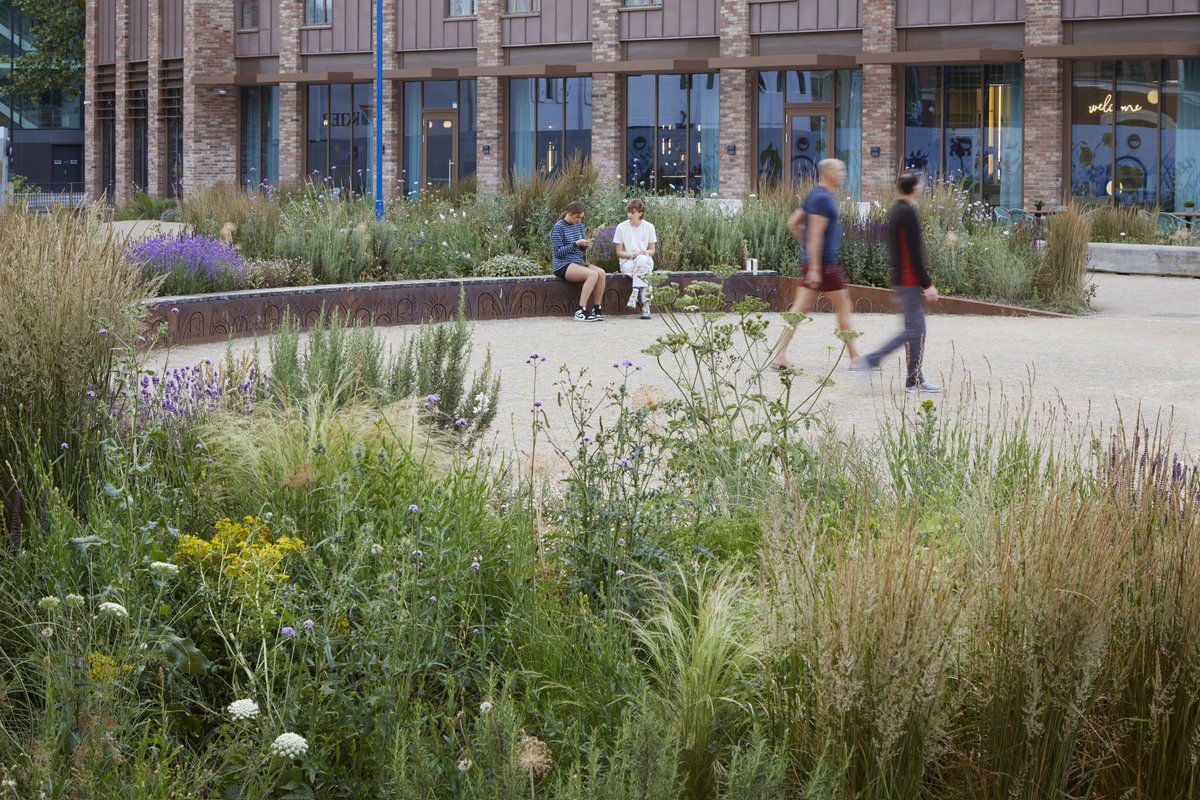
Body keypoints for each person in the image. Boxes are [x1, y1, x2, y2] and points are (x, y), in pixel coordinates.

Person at [852, 172, 941, 393]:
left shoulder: (898, 210)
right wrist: (927, 284)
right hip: (909, 280)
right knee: (916, 329)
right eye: (920, 183)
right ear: (915, 188)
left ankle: (914, 380)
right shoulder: (906, 213)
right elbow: (913, 252)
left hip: (904, 280)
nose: (923, 186)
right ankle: (871, 360)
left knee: (915, 329)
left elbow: (897, 251)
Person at [768, 158, 861, 370]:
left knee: (799, 309)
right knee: (843, 306)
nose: (843, 175)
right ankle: (855, 358)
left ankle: (780, 356)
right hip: (826, 265)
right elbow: (816, 233)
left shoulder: (814, 195)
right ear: (829, 173)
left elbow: (793, 223)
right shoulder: (823, 199)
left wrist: (808, 251)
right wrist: (817, 268)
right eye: (841, 171)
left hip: (814, 263)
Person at [551, 201, 606, 322]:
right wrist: (576, 244)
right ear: (570, 214)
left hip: (577, 262)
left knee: (601, 273)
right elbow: (558, 252)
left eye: (581, 218)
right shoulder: (558, 227)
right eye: (578, 217)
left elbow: (580, 249)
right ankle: (581, 310)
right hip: (562, 264)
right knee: (592, 274)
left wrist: (585, 245)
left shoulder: (579, 226)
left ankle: (597, 309)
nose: (579, 220)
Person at [613, 198, 657, 319]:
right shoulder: (621, 227)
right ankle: (646, 307)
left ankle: (635, 292)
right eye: (628, 212)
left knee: (642, 260)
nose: (629, 215)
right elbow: (619, 252)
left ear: (640, 213)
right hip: (628, 262)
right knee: (644, 271)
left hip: (645, 260)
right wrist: (632, 255)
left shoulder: (649, 227)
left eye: (632, 212)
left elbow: (652, 250)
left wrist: (644, 252)